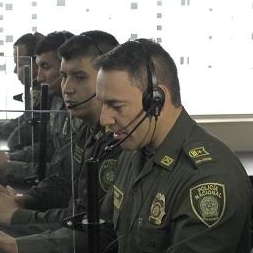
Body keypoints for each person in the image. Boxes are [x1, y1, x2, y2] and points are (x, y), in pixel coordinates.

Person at [93, 39, 252, 252]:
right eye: (102, 104)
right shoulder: (134, 152)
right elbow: (106, 235)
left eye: (116, 105)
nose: (104, 119)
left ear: (156, 100)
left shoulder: (208, 178)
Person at [0, 31, 122, 253]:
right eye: (64, 76)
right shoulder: (87, 127)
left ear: (106, 79)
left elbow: (94, 229)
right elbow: (62, 182)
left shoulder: (120, 140)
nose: (67, 88)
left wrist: (17, 216)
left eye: (79, 77)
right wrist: (22, 201)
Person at [0, 31, 75, 185]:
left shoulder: (75, 110)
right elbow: (50, 148)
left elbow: (62, 172)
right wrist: (10, 158)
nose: (38, 77)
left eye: (45, 67)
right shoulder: (57, 102)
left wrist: (8, 166)